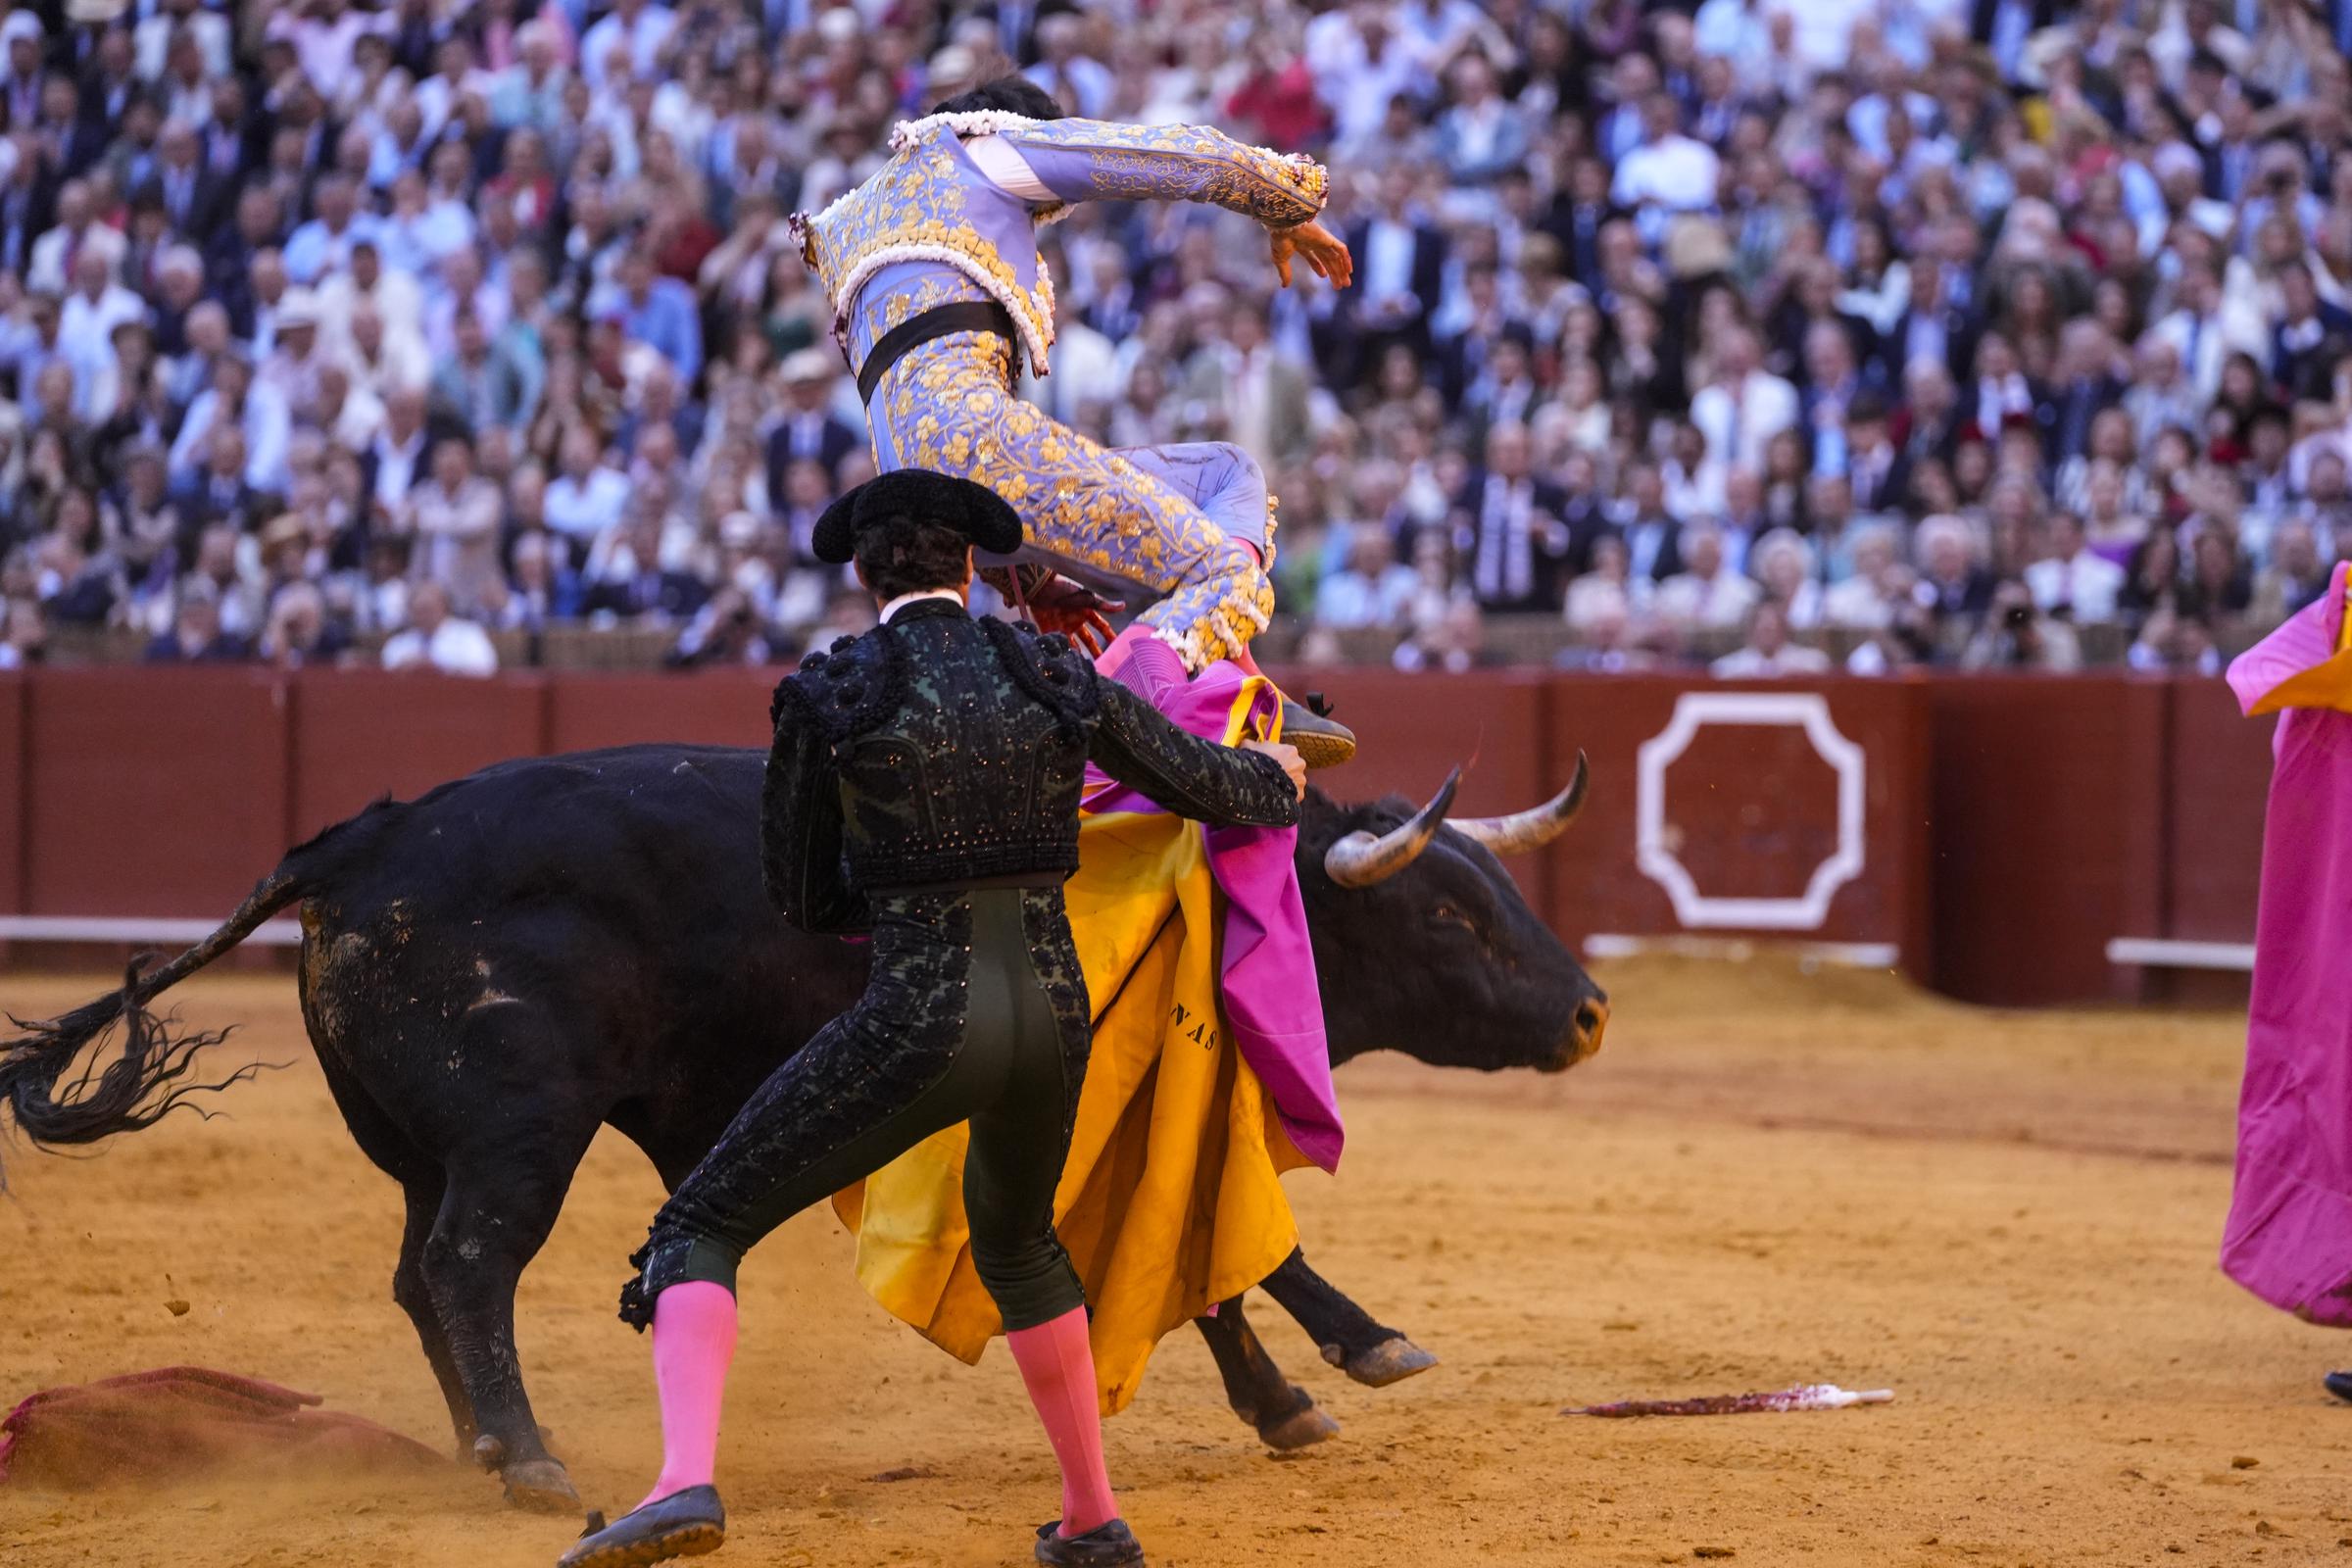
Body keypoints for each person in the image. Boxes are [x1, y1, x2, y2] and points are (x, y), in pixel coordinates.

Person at [564, 469, 1305, 1568]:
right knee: (1017, 1240)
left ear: (865, 574)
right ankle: (1092, 1516)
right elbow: (1198, 780)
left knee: (698, 1227)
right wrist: (1276, 774)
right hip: (1053, 1016)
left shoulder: (837, 692)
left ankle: (682, 1483)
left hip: (922, 1011)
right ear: (974, 566)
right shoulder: (1048, 668)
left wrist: (905, 883)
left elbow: (806, 896)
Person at [789, 74, 1357, 762]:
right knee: (1221, 572)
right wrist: (1284, 201)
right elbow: (1177, 158)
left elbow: (919, 420)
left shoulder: (856, 221)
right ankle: (1127, 720)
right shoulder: (985, 148)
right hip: (985, 455)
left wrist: (1028, 574)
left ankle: (1233, 680)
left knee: (1223, 472)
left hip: (913, 505)